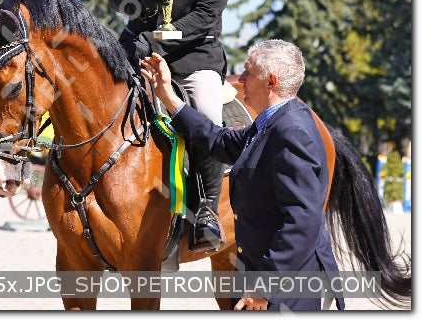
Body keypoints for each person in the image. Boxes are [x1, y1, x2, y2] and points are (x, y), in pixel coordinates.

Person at [140, 39, 345, 311]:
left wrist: (266, 286)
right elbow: (217, 140)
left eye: (248, 72)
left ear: (271, 81)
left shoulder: (291, 131)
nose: (241, 79)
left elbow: (302, 220)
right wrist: (169, 97)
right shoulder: (273, 122)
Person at [108, 0, 235, 251]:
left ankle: (209, 212)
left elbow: (206, 16)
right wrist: (139, 0)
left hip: (194, 55)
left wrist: (161, 38)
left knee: (207, 113)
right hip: (136, 46)